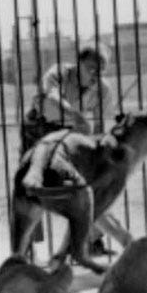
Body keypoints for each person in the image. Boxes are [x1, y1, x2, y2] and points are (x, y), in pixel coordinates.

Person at [24, 43, 119, 257]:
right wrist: (75, 115)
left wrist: (97, 149)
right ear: (78, 64)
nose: (95, 74)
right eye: (90, 68)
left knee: (90, 184)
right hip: (41, 127)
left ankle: (91, 240)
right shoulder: (60, 72)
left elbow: (102, 125)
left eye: (100, 69)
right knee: (33, 186)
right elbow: (51, 97)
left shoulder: (103, 89)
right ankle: (27, 244)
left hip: (72, 133)